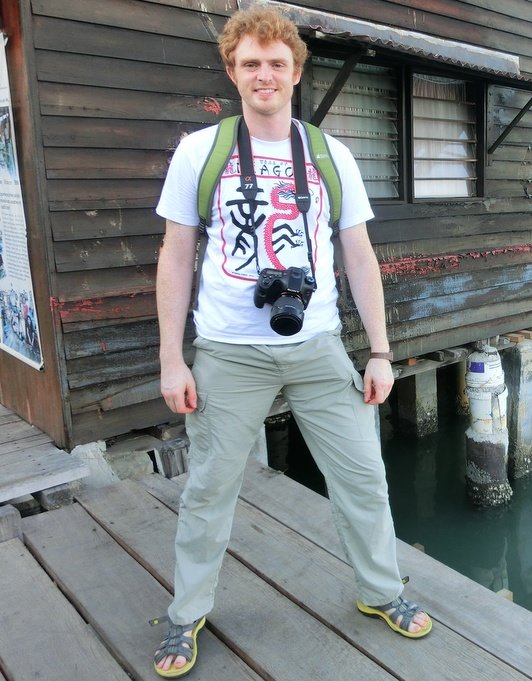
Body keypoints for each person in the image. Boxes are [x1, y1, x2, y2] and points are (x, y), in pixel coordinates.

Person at [153, 7, 431, 677]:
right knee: (209, 490)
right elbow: (176, 254)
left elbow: (359, 256)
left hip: (318, 344)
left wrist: (381, 351)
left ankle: (382, 589)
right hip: (226, 349)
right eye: (250, 63)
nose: (264, 74)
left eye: (277, 62)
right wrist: (171, 356)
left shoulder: (329, 153)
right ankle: (185, 613)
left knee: (364, 476)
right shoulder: (201, 150)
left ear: (296, 72)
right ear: (232, 71)